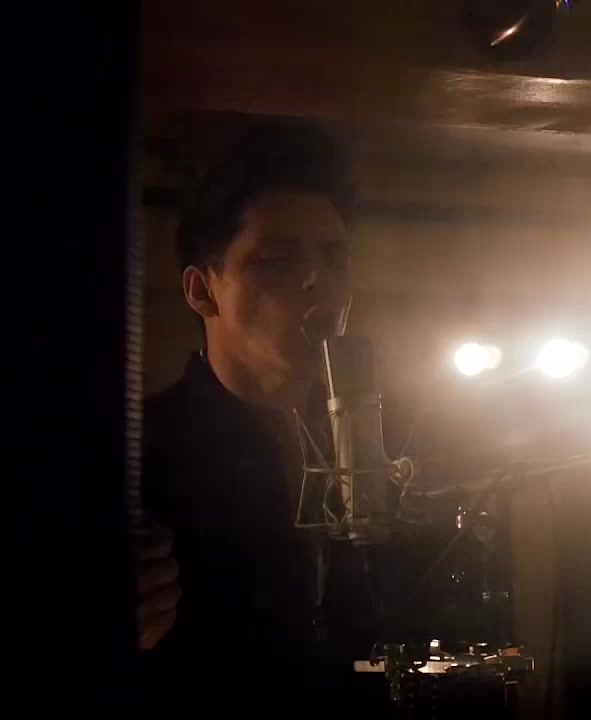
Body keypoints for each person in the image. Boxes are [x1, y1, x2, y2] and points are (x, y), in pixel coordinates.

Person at [137, 121, 380, 707]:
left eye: (335, 259)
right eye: (275, 260)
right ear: (203, 291)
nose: (317, 282)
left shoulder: (380, 441)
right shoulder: (143, 451)